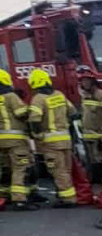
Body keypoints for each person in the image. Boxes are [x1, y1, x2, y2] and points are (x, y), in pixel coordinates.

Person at [26, 69, 78, 207]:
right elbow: (73, 113)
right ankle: (65, 194)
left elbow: (35, 121)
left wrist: (37, 135)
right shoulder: (60, 95)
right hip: (66, 140)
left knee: (58, 170)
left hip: (50, 142)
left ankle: (68, 199)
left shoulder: (38, 99)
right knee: (66, 169)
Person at [0, 69, 35, 210]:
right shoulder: (10, 96)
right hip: (15, 140)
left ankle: (4, 196)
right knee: (20, 167)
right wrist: (30, 109)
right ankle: (19, 199)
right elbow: (21, 113)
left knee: (6, 168)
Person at [77, 66, 102, 190]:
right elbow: (85, 114)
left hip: (101, 137)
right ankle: (101, 190)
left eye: (87, 80)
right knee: (95, 166)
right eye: (83, 81)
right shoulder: (84, 96)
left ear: (93, 81)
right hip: (88, 137)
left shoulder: (100, 94)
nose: (85, 83)